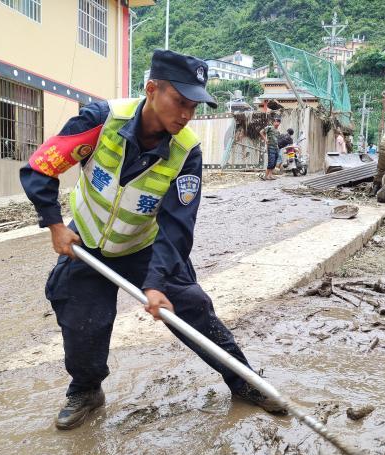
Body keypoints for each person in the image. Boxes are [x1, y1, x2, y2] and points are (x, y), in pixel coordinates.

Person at [20, 49, 284, 430]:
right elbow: (40, 167)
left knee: (192, 309)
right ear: (152, 89)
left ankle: (245, 381)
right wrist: (54, 225)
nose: (187, 114)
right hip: (88, 243)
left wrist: (157, 282)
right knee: (82, 322)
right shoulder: (101, 119)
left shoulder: (186, 150)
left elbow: (177, 224)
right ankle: (87, 390)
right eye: (180, 101)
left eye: (194, 105)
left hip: (144, 247)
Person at [259, 116, 281, 180]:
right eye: (276, 121)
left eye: (278, 122)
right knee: (271, 162)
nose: (277, 123)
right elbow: (261, 132)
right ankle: (265, 176)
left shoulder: (278, 132)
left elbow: (278, 140)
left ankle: (270, 175)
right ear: (273, 122)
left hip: (276, 148)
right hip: (270, 147)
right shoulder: (269, 128)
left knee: (274, 162)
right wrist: (265, 139)